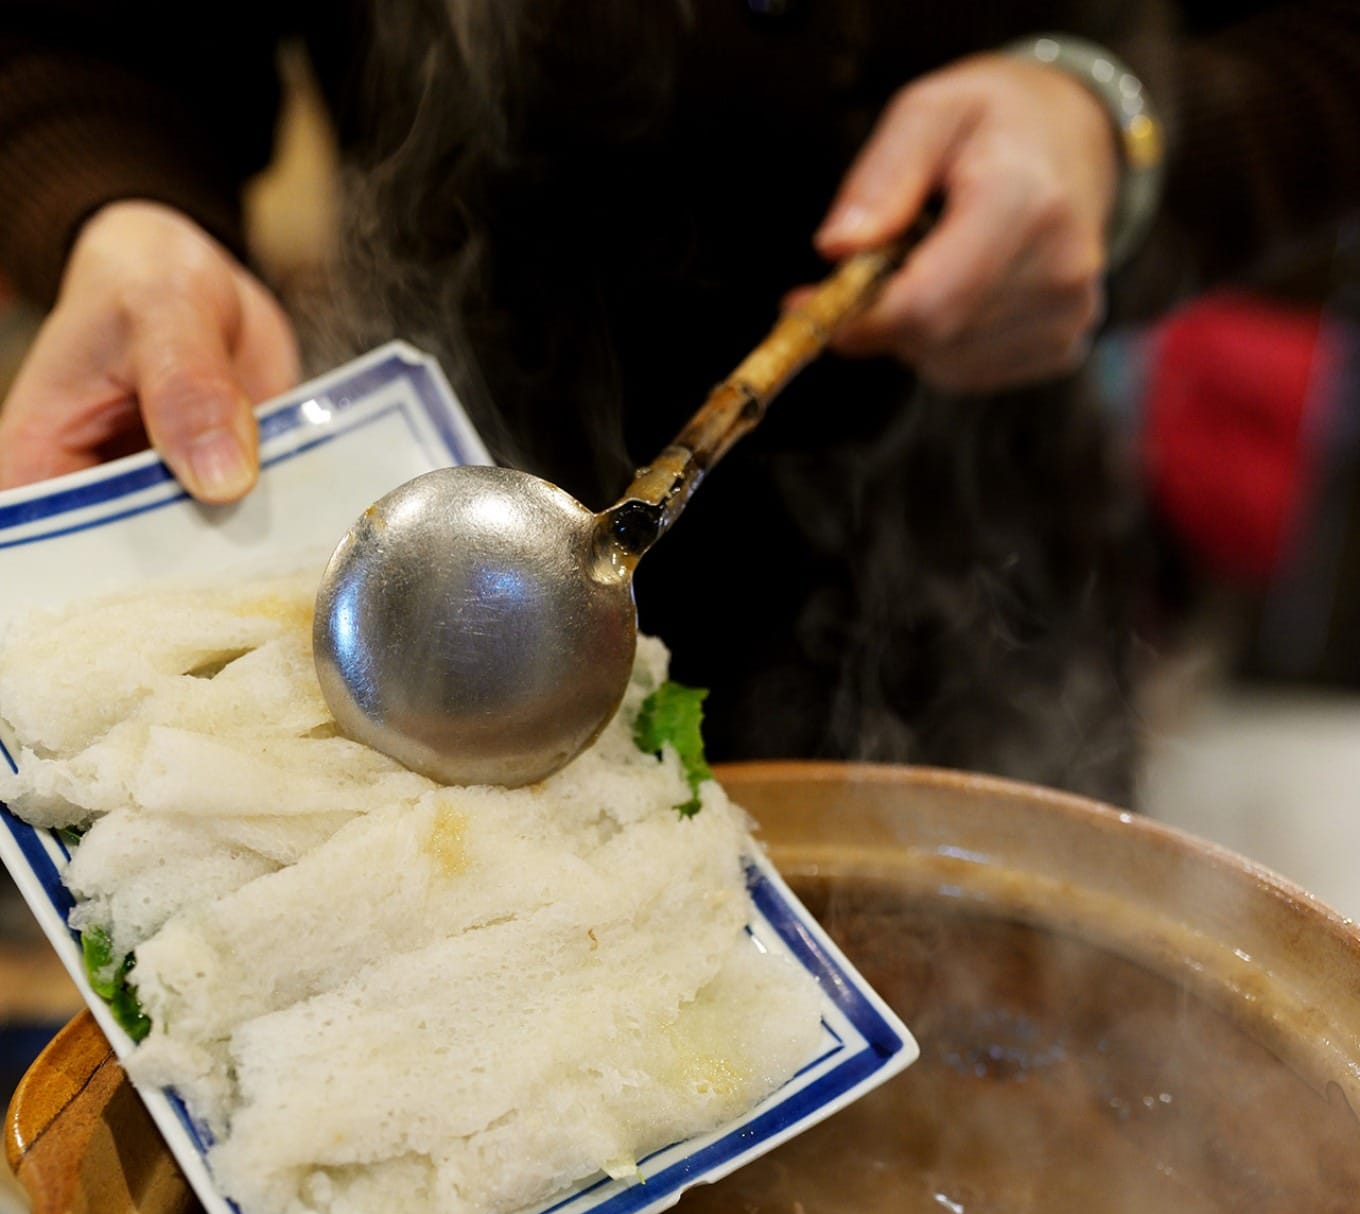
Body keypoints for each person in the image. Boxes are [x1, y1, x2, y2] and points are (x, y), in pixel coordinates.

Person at [0, 2, 1356, 796]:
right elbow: (98, 40)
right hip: (430, 593)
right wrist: (121, 212)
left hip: (980, 620)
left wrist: (1124, 128)